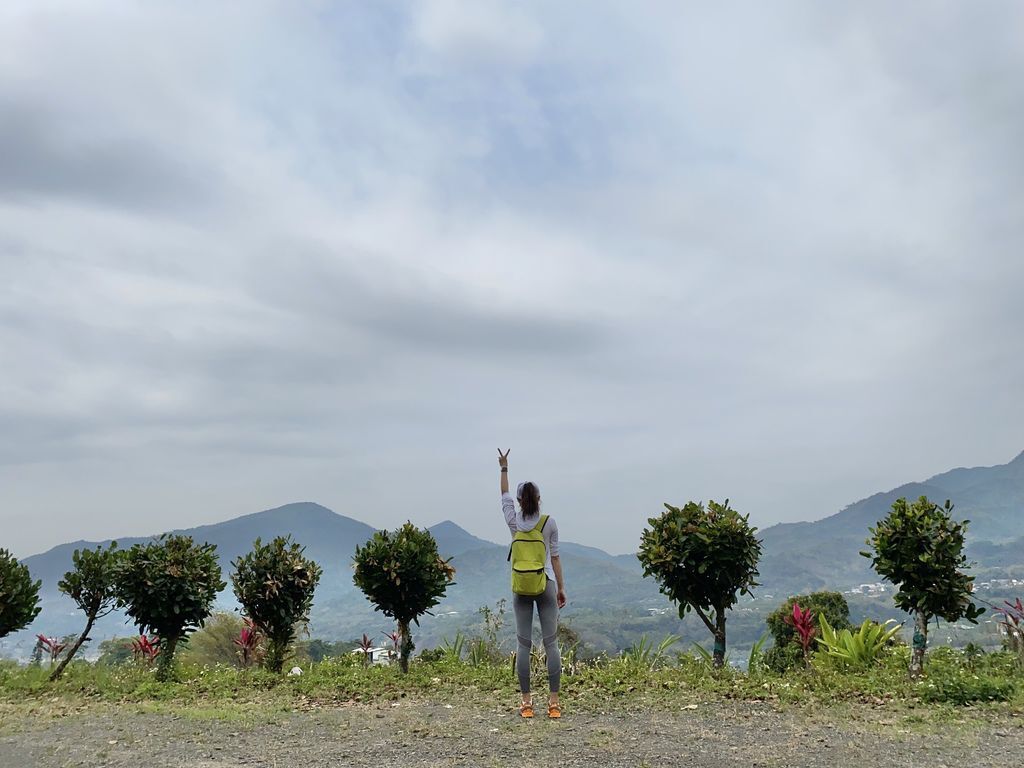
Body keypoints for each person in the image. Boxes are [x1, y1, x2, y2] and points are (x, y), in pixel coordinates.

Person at [498, 448, 567, 719]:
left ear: (518, 500)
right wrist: (561, 588)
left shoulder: (514, 521)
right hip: (546, 582)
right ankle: (554, 703)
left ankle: (526, 704)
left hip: (520, 586)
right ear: (539, 499)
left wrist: (504, 468)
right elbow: (557, 559)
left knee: (523, 644)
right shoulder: (549, 523)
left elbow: (503, 496)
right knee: (551, 643)